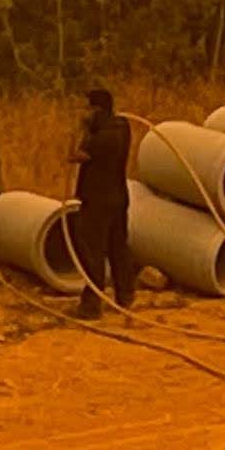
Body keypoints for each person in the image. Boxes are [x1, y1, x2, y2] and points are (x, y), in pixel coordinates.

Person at [71, 85, 137, 316]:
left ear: (96, 109)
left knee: (92, 250)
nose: (83, 112)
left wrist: (82, 128)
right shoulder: (122, 128)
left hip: (97, 199)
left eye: (86, 108)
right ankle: (125, 295)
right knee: (118, 246)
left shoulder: (100, 136)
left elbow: (74, 155)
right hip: (119, 196)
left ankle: (92, 303)